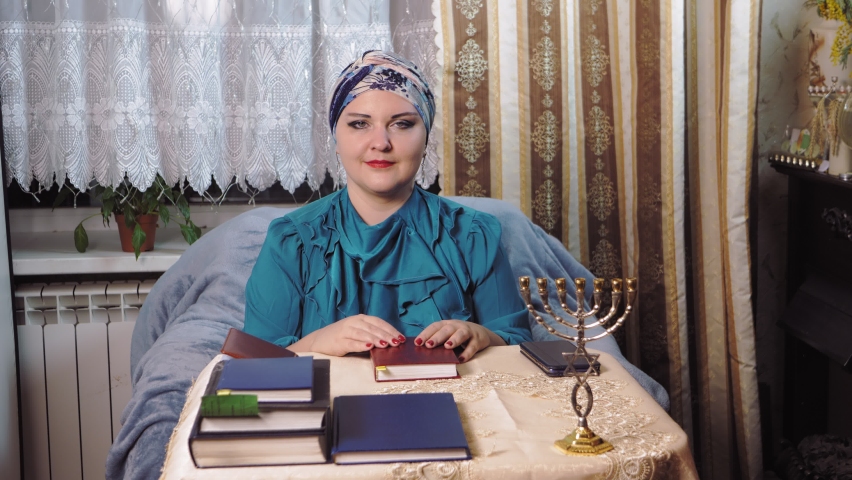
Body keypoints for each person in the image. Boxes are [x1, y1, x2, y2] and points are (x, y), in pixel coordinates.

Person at [243, 50, 532, 362]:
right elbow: (256, 361)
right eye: (359, 124)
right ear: (336, 140)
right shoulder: (291, 240)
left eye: (402, 124)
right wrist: (318, 341)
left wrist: (483, 336)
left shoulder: (475, 234)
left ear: (425, 141)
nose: (381, 142)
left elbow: (516, 344)